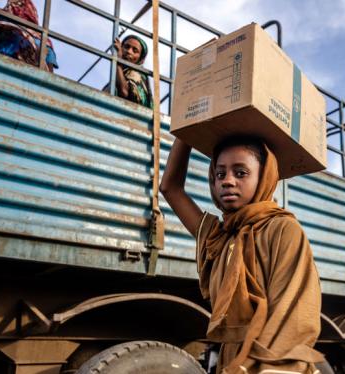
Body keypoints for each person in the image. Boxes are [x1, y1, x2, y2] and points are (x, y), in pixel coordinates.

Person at [159, 137, 324, 373]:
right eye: (220, 174)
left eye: (241, 173)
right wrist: (186, 131)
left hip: (272, 361)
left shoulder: (282, 229)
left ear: (264, 178)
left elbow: (293, 312)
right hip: (232, 360)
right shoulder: (219, 237)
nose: (227, 181)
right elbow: (170, 188)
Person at [0, 0, 58, 72]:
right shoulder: (45, 40)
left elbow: (50, 72)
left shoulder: (44, 40)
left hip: (4, 62)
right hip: (4, 64)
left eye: (20, 4)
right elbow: (50, 75)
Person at [111, 35, 153, 108]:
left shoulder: (137, 74)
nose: (129, 51)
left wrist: (118, 62)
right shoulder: (120, 75)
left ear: (141, 59)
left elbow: (124, 92)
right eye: (126, 47)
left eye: (135, 50)